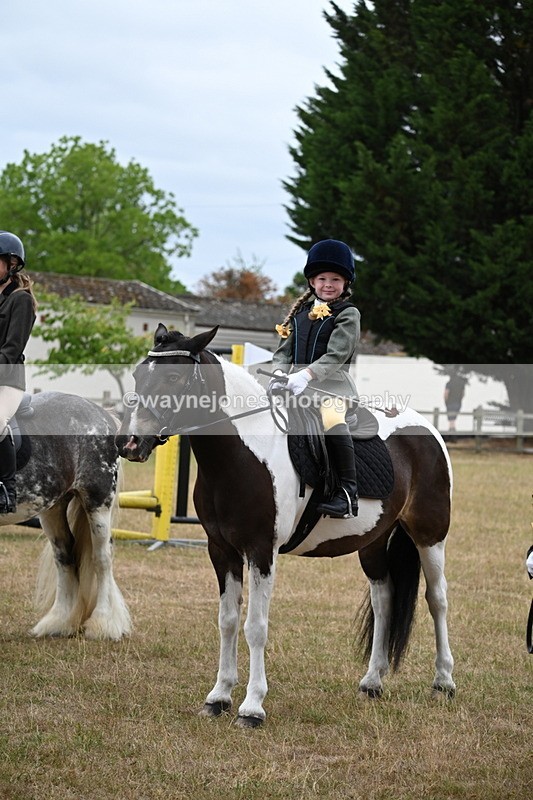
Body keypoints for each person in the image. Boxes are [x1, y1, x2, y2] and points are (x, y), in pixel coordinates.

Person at [270, 239, 360, 518]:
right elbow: (283, 353)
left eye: (335, 279)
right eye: (322, 278)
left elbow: (337, 355)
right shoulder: (299, 315)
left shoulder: (348, 314)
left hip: (333, 390)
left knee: (332, 420)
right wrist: (277, 375)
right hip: (295, 388)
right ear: (312, 281)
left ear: (345, 283)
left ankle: (348, 493)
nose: (328, 284)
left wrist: (306, 375)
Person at [0, 231, 37, 513]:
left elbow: (12, 351)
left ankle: (5, 490)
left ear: (11, 263)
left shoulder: (20, 300)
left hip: (8, 381)